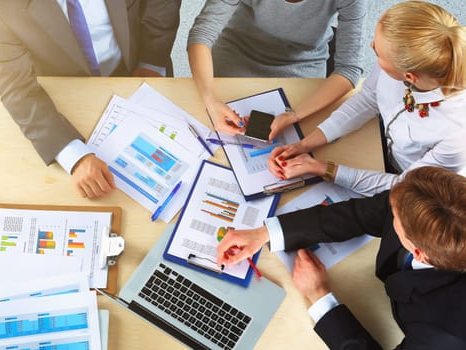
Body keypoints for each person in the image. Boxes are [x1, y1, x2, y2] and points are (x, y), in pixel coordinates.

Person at [217, 166, 466, 348]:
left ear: (419, 252)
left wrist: (320, 297)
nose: (390, 210)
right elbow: (364, 213)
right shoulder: (437, 200)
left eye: (396, 218)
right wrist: (265, 233)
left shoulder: (445, 334)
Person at [0, 0, 181, 198]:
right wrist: (72, 154)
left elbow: (161, 6)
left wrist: (151, 63)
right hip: (67, 98)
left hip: (138, 66)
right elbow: (17, 88)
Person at [269, 1, 466, 197]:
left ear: (409, 76)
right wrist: (304, 145)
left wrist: (322, 168)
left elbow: (407, 186)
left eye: (377, 53)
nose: (372, 46)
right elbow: (368, 99)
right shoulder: (406, 61)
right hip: (383, 148)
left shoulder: (457, 134)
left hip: (416, 184)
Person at [188, 0, 366, 135]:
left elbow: (349, 68)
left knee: (300, 136)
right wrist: (210, 100)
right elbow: (202, 33)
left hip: (304, 64)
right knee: (209, 125)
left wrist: (294, 115)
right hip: (237, 51)